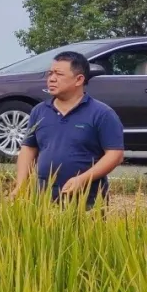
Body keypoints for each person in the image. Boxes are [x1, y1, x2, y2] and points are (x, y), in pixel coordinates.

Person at [11, 50, 125, 207]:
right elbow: (29, 148)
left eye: (59, 74)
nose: (51, 79)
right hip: (43, 200)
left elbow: (115, 155)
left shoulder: (102, 113)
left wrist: (82, 179)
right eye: (50, 73)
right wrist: (21, 185)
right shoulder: (39, 111)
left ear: (79, 79)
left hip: (87, 200)